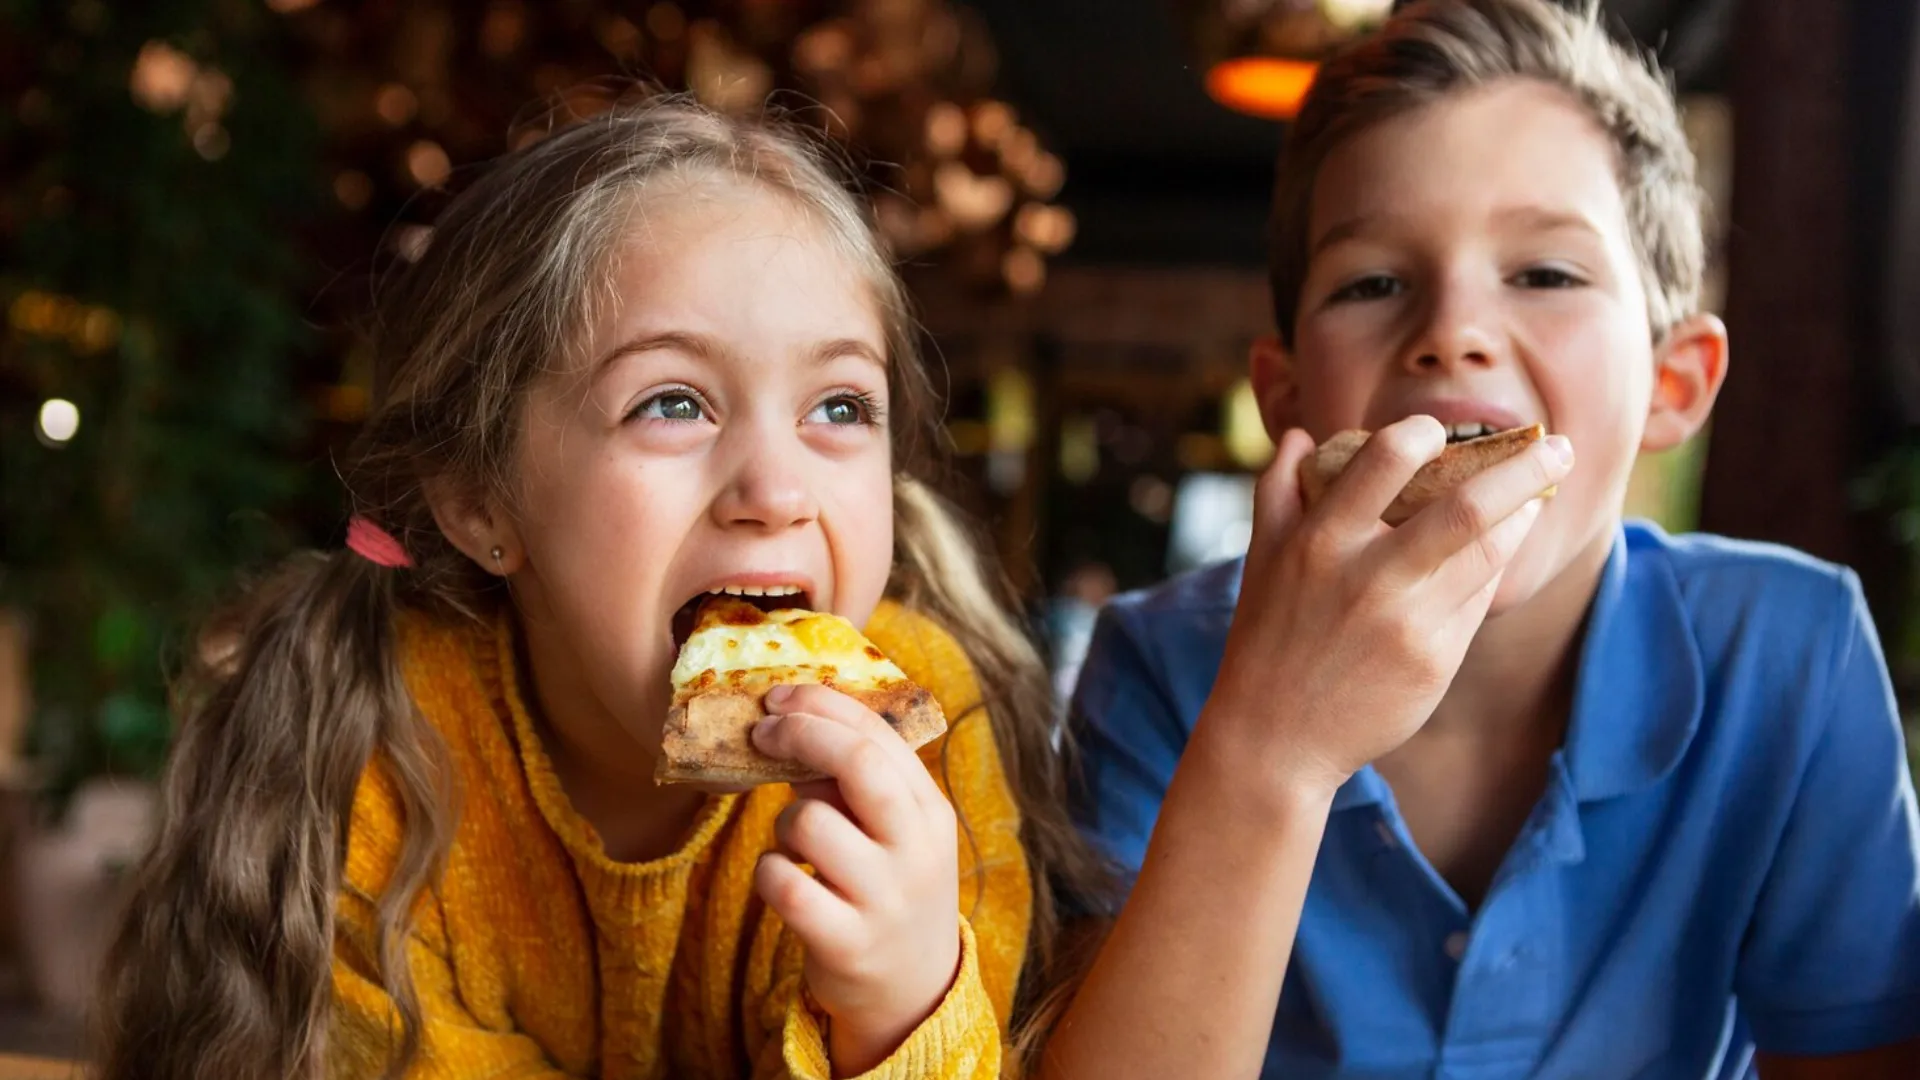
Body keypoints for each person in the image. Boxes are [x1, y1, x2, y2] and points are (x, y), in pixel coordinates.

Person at [92, 95, 1106, 1080]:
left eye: (840, 404)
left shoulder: (928, 742)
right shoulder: (371, 751)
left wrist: (900, 1015)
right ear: (482, 500)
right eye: (673, 402)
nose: (778, 489)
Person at [1051, 1, 1920, 1077]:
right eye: (1373, 283)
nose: (1452, 330)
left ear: (1676, 384)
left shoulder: (1793, 649)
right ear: (1285, 399)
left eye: (1546, 274)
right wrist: (1271, 744)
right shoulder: (1157, 664)